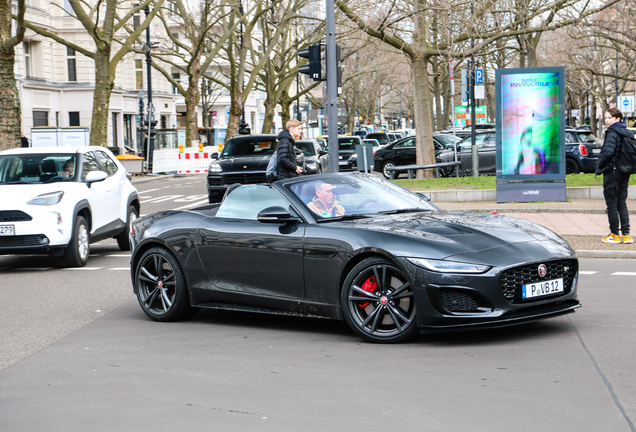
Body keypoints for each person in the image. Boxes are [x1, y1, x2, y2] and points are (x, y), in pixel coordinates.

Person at [596, 107, 633, 244]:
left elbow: (608, 152)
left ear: (617, 119)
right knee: (621, 202)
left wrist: (600, 165)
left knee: (612, 203)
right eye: (605, 118)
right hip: (624, 170)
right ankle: (627, 234)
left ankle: (614, 235)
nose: (606, 120)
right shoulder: (627, 132)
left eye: (609, 118)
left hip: (612, 171)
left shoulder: (612, 132)